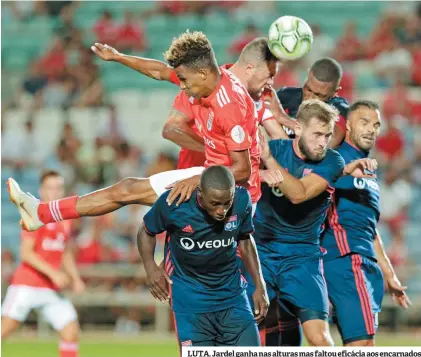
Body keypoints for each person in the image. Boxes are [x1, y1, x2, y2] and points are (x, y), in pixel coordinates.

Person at [8, 31, 283, 232]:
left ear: (201, 74)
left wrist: (199, 180)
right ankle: (41, 213)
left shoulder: (230, 107)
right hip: (208, 175)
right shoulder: (206, 78)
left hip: (232, 196)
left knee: (148, 213)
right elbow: (161, 72)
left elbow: (243, 171)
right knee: (127, 188)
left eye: (185, 81)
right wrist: (118, 58)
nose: (182, 88)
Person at [247, 99, 377, 346]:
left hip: (303, 258)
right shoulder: (273, 149)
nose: (322, 143)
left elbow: (299, 194)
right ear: (297, 127)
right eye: (317, 134)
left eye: (327, 135)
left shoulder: (332, 161)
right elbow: (235, 176)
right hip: (262, 253)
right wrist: (257, 170)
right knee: (243, 331)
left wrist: (269, 163)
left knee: (319, 338)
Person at [90, 37, 288, 169]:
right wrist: (119, 57)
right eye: (268, 75)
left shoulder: (254, 96)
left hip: (231, 182)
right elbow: (161, 72)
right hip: (194, 174)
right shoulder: (200, 84)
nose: (270, 81)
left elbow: (276, 138)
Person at [137, 165, 269, 347]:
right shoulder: (174, 203)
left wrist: (259, 285)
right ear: (200, 193)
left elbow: (245, 240)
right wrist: (150, 267)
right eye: (215, 203)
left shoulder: (242, 199)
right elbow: (145, 231)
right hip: (190, 303)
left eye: (226, 202)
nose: (222, 210)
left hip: (233, 298)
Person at [321, 100, 411, 346]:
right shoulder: (336, 160)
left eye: (376, 124)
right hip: (346, 260)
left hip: (364, 262)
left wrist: (389, 274)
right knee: (362, 345)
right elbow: (312, 197)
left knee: (361, 343)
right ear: (348, 126)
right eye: (364, 122)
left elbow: (370, 229)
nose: (371, 129)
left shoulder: (370, 171)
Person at [1, 170, 84, 357]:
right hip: (27, 285)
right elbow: (26, 254)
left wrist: (75, 278)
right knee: (4, 330)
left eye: (59, 187)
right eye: (50, 187)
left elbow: (65, 252)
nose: (55, 192)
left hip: (50, 288)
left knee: (70, 332)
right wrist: (54, 273)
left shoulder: (64, 219)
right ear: (41, 190)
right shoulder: (35, 214)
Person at [274, 57, 349, 148]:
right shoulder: (284, 96)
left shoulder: (339, 108)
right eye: (308, 89)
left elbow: (325, 144)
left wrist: (283, 118)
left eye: (319, 95)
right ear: (308, 76)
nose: (310, 98)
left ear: (335, 92)